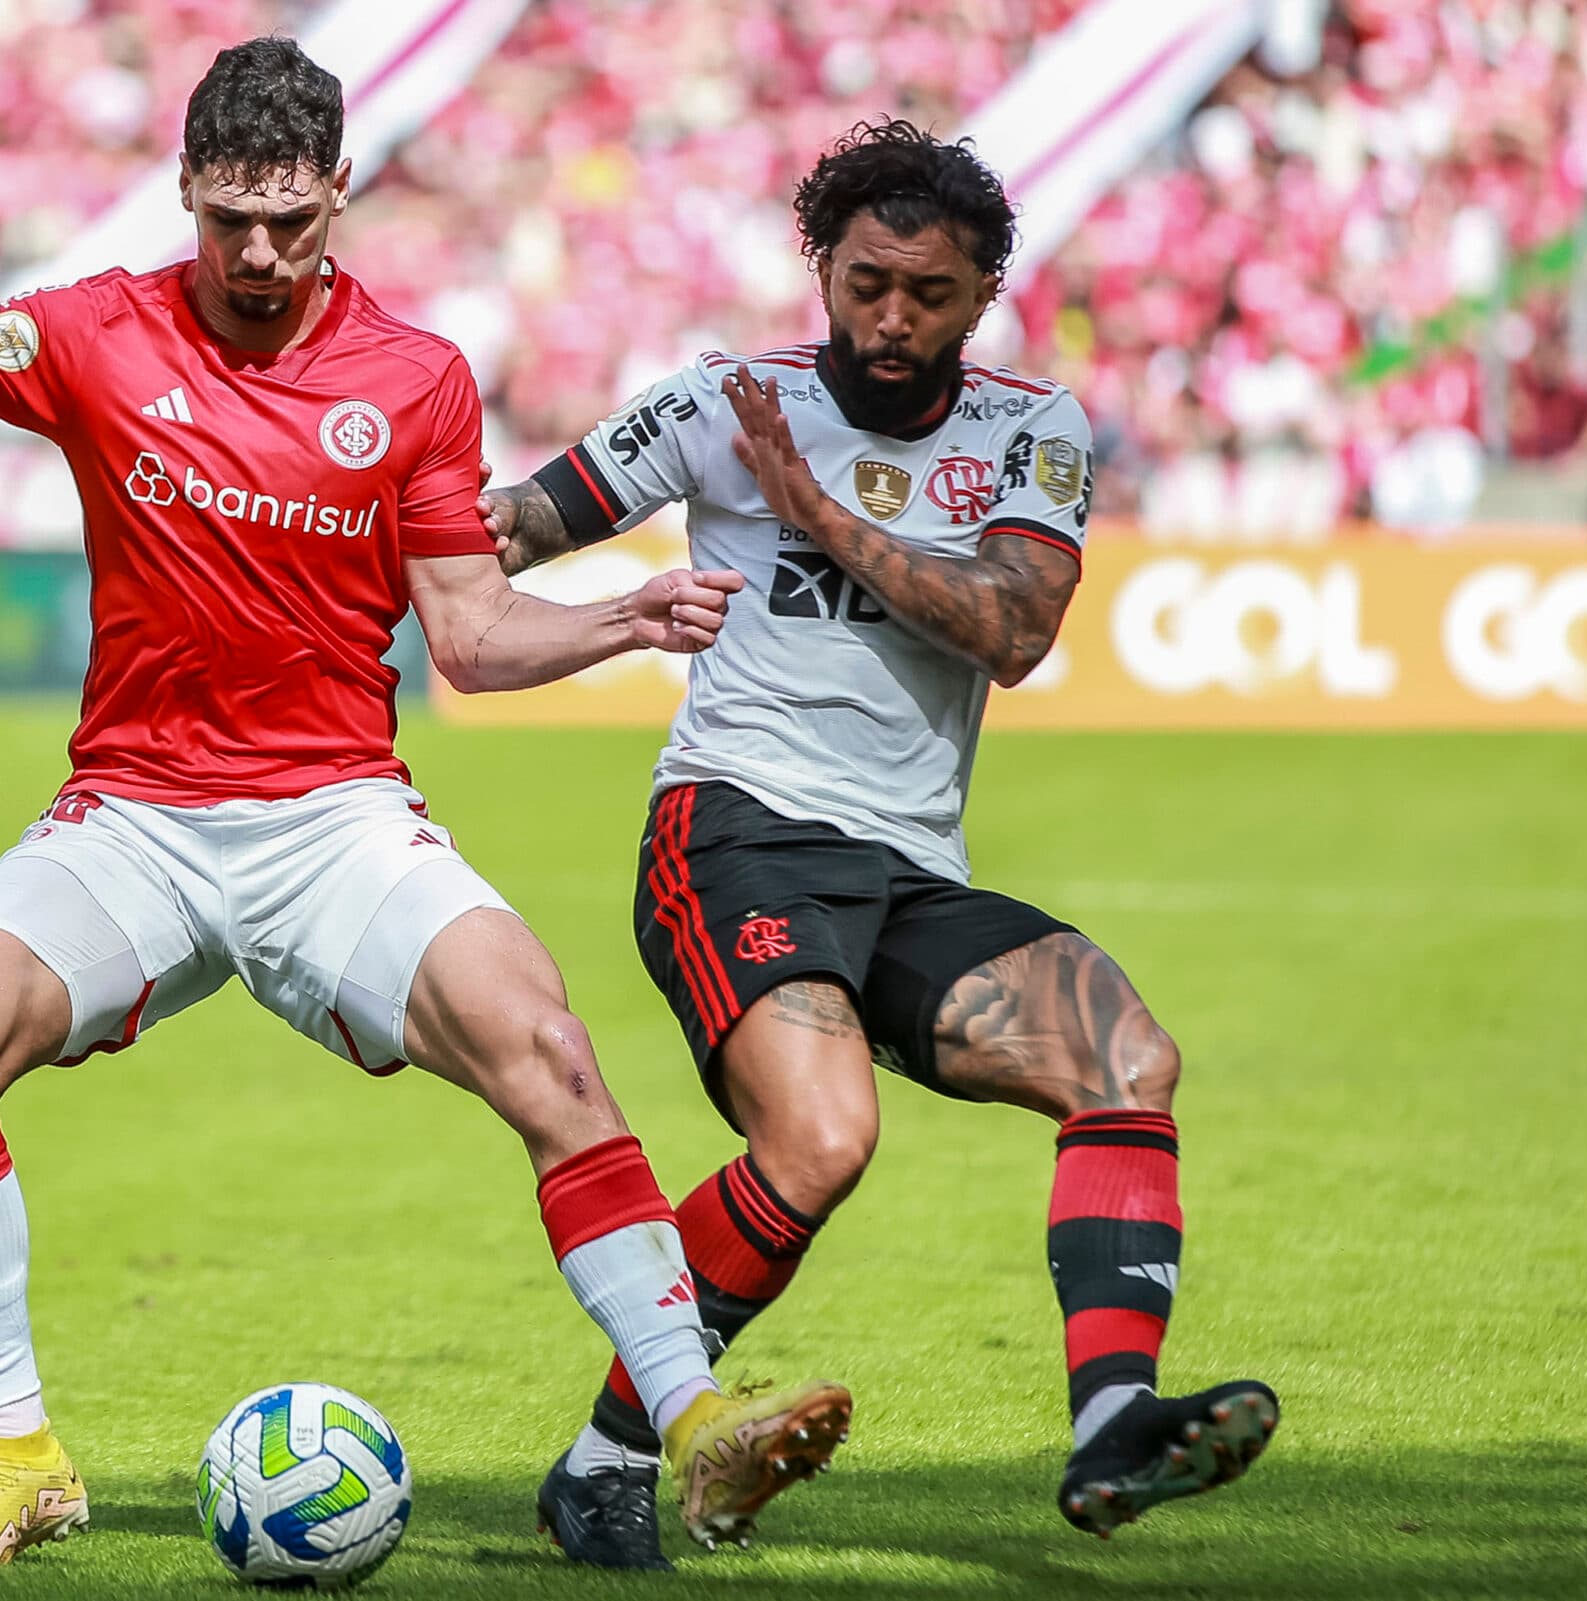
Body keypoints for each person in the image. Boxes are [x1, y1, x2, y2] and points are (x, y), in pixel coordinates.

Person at [0, 38, 851, 1570]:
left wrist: (621, 616)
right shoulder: (89, 333)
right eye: (227, 219)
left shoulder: (415, 379)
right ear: (184, 191)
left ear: (340, 193)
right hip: (135, 813)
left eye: (290, 219)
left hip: (333, 816)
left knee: (546, 1052)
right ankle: (18, 1455)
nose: (258, 255)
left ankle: (692, 1418)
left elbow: (465, 631)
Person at [485, 120, 1278, 1566]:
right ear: (825, 272)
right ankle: (622, 1448)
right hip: (734, 829)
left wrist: (819, 518)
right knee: (824, 1136)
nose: (890, 319)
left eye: (927, 292)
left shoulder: (1031, 429)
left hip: (910, 868)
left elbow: (1016, 634)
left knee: (1126, 1060)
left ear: (984, 297)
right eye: (863, 286)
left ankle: (1111, 1425)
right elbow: (514, 527)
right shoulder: (722, 401)